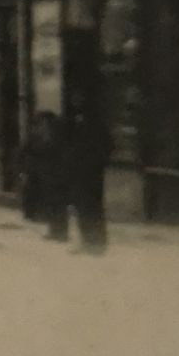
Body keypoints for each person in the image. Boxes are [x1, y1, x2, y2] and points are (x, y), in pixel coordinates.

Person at [63, 98, 111, 253]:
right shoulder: (90, 126)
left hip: (89, 173)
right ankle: (92, 242)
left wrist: (95, 162)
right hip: (86, 172)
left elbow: (106, 147)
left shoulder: (93, 127)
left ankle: (94, 243)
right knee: (87, 208)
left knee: (90, 208)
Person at [21, 110, 64, 229]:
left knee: (47, 192)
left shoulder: (55, 136)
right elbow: (25, 150)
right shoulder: (34, 135)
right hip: (34, 168)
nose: (44, 125)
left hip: (49, 169)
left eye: (46, 122)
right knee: (32, 191)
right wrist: (25, 168)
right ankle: (32, 214)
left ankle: (46, 216)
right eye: (42, 122)